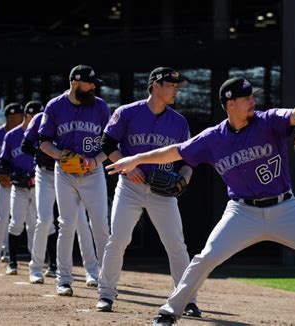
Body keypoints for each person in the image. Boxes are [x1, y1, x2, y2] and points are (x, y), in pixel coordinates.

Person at [106, 77, 295, 326]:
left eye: (252, 96)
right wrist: (134, 159)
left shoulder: (268, 121)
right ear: (229, 103)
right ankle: (169, 311)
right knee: (205, 258)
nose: (252, 100)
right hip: (241, 213)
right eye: (245, 97)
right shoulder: (213, 138)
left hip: (286, 209)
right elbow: (174, 152)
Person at [96, 67, 201, 317]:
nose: (176, 90)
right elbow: (107, 143)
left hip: (162, 192)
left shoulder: (179, 121)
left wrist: (184, 181)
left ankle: (187, 299)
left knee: (176, 244)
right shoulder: (127, 113)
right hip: (130, 186)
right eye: (171, 85)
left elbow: (189, 159)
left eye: (177, 86)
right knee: (118, 240)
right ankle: (106, 294)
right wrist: (127, 167)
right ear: (155, 85)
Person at [39, 64, 110, 296]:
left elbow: (110, 144)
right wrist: (63, 155)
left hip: (93, 173)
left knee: (100, 225)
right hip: (65, 174)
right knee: (66, 225)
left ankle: (105, 278)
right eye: (89, 82)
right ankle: (64, 280)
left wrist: (96, 161)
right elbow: (44, 142)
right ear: (75, 82)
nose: (93, 86)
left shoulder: (100, 106)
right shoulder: (55, 106)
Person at [22, 101, 101, 287]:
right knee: (44, 219)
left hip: (70, 174)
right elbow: (26, 145)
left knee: (81, 222)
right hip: (45, 174)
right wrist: (44, 153)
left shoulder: (75, 121)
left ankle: (92, 272)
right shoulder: (41, 119)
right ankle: (36, 269)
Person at [0, 102, 43, 275]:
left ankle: (37, 262)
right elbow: (4, 162)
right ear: (26, 116)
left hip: (37, 184)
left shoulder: (44, 134)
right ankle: (12, 262)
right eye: (33, 117)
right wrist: (14, 174)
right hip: (19, 187)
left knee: (36, 225)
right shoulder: (11, 136)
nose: (37, 120)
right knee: (16, 223)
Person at [0, 102, 24, 268]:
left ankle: (11, 253)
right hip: (4, 183)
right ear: (9, 117)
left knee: (21, 220)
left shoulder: (25, 134)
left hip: (21, 183)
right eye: (17, 116)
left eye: (21, 116)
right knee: (1, 219)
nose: (20, 119)